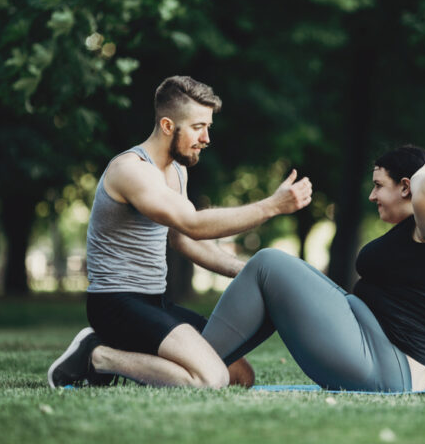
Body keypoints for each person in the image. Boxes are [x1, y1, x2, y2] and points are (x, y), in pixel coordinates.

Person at [47, 76, 312, 389]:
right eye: (199, 126)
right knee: (211, 379)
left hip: (155, 302)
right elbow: (193, 224)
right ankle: (98, 356)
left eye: (208, 126)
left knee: (241, 377)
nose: (207, 138)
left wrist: (247, 271)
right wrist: (271, 207)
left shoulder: (175, 171)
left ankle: (135, 360)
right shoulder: (131, 170)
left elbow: (183, 239)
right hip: (116, 305)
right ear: (168, 125)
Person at [200, 145, 425, 392]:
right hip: (370, 342)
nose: (372, 195)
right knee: (272, 271)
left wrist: (423, 177)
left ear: (406, 187)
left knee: (267, 263)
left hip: (387, 364)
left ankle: (194, 361)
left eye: (378, 185)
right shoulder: (415, 231)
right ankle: (205, 359)